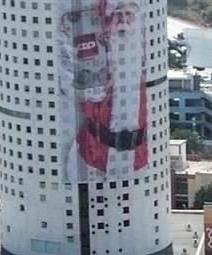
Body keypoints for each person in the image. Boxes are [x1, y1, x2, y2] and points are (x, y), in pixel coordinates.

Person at [58, 0, 149, 181]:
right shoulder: (92, 54)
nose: (123, 21)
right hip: (91, 155)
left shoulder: (141, 52)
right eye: (117, 16)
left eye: (128, 15)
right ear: (107, 26)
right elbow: (68, 85)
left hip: (136, 156)